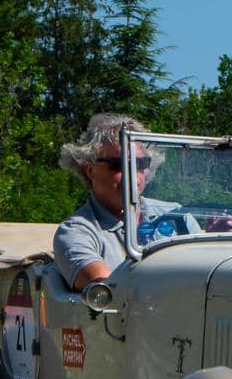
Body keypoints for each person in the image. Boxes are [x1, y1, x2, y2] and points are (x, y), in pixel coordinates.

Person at [53, 113, 163, 289]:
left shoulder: (177, 216)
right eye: (118, 164)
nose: (133, 175)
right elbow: (110, 289)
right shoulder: (77, 232)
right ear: (90, 170)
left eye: (141, 164)